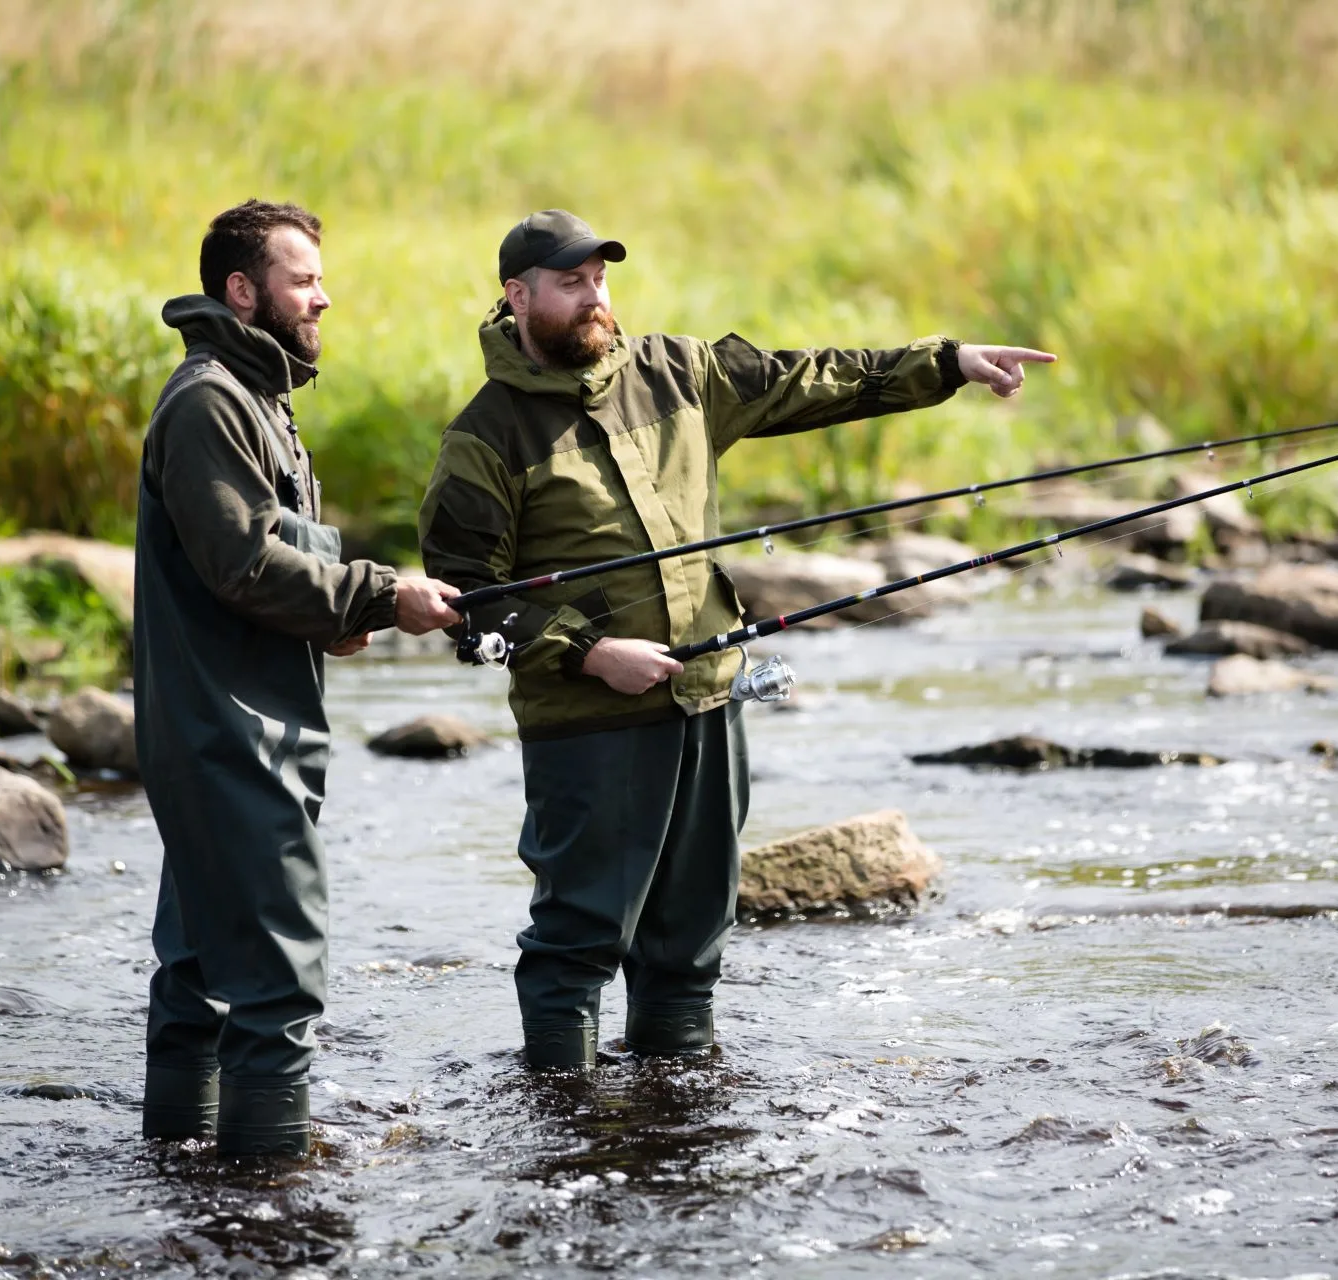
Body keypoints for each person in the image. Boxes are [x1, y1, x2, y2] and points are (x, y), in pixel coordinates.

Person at [418, 210, 1054, 1069]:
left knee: (690, 941)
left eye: (601, 279)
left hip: (709, 699)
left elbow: (811, 378)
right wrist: (591, 654)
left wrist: (946, 364)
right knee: (576, 941)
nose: (595, 297)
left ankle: (674, 1122)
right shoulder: (485, 435)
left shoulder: (680, 372)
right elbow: (469, 600)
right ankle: (558, 1136)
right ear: (518, 296)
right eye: (572, 284)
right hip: (587, 724)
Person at [134, 199, 461, 1155]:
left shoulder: (255, 397)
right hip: (231, 738)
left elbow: (259, 570)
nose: (325, 296)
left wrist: (333, 622)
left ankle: (181, 1185)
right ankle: (267, 1211)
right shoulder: (209, 403)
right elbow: (241, 564)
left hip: (233, 725)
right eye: (303, 278)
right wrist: (378, 594)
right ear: (243, 290)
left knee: (194, 970)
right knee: (278, 986)